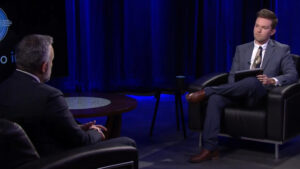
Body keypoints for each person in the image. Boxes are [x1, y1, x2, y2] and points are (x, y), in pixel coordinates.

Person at [186, 9, 298, 163]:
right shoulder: (242, 49)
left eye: (264, 28)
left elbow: (293, 75)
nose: (258, 30)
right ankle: (210, 149)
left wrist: (272, 80)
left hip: (260, 97)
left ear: (272, 31)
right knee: (216, 99)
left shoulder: (281, 50)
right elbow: (232, 76)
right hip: (237, 94)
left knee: (253, 81)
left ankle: (207, 91)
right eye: (256, 26)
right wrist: (236, 88)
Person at [0, 34, 136, 157]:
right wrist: (96, 133)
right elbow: (83, 142)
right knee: (127, 143)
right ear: (44, 67)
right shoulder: (50, 96)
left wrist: (75, 128)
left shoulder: (3, 88)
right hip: (53, 162)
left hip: (18, 160)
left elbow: (36, 128)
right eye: (52, 61)